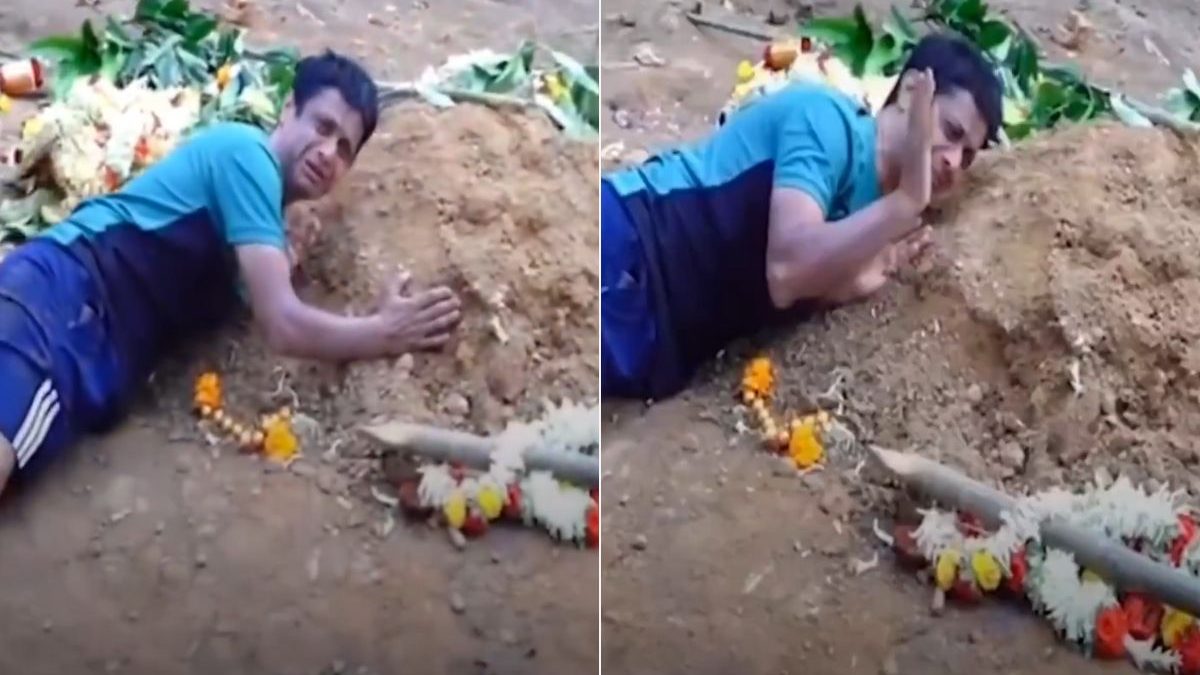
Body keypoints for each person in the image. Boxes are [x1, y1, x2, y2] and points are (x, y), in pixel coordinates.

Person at [0, 51, 462, 493]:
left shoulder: (259, 225)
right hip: (56, 299)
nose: (328, 152)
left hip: (81, 340)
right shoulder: (247, 156)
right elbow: (282, 323)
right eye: (322, 127)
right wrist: (383, 333)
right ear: (287, 109)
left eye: (345, 148)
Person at [601, 33, 1002, 400]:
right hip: (629, 244)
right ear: (912, 92)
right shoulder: (827, 121)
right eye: (950, 131)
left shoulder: (881, 220)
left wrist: (847, 285)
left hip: (660, 347)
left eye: (968, 155)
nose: (953, 161)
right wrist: (904, 204)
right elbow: (787, 270)